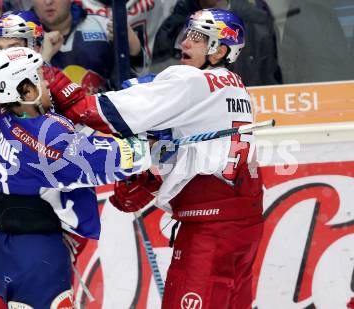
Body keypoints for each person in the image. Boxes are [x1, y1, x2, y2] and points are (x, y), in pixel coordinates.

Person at [46, 8, 264, 308]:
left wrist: (49, 74)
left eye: (198, 38)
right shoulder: (236, 86)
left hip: (209, 235)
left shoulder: (190, 82)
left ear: (221, 49)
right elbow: (186, 147)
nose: (185, 43)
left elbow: (93, 112)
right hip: (244, 229)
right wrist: (149, 172)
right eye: (187, 34)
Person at [0, 46, 150, 308]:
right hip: (37, 257)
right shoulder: (48, 137)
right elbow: (118, 159)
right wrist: (154, 139)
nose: (47, 82)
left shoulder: (2, 115)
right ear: (25, 91)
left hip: (10, 248)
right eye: (39, 76)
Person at [152, 0, 282, 86]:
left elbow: (269, 77)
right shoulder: (181, 18)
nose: (186, 43)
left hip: (247, 106)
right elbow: (158, 58)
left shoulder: (255, 20)